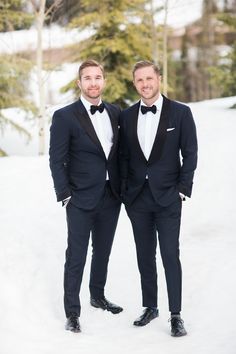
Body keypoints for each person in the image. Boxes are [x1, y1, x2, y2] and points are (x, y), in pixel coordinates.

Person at [119, 60, 198, 337]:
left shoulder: (181, 113)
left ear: (159, 79)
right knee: (144, 256)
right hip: (138, 200)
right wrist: (126, 194)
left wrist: (182, 188)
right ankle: (150, 306)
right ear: (134, 83)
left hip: (168, 198)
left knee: (169, 255)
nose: (145, 84)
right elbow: (123, 157)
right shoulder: (126, 117)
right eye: (139, 80)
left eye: (149, 78)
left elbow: (190, 153)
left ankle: (175, 314)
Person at [49, 59, 123, 333]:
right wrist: (65, 194)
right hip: (79, 197)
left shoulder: (116, 112)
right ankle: (72, 312)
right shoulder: (64, 116)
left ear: (104, 81)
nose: (93, 83)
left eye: (98, 77)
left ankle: (98, 295)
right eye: (88, 78)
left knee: (102, 250)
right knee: (76, 255)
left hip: (111, 195)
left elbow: (120, 155)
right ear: (79, 83)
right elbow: (56, 159)